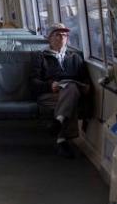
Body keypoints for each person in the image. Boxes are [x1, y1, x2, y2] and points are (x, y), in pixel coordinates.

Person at [30, 22, 90, 157]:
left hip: (68, 93)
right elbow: (33, 83)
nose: (62, 38)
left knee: (72, 88)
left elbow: (85, 79)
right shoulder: (40, 56)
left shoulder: (75, 57)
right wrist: (49, 85)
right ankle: (62, 135)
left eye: (65, 35)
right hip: (49, 95)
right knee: (72, 97)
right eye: (58, 35)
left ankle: (59, 125)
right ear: (50, 38)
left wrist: (86, 87)